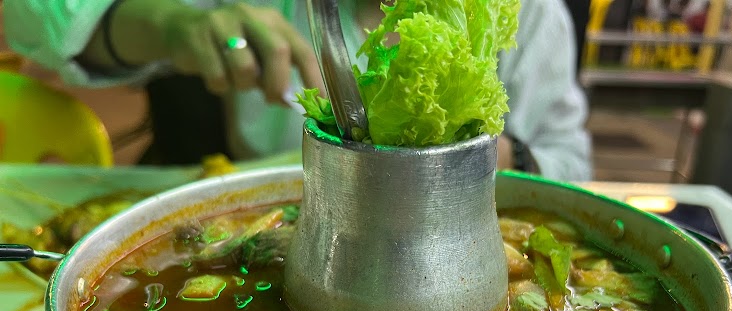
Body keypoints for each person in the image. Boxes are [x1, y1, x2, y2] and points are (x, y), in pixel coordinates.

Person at [4, 0, 592, 180]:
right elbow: (33, 20)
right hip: (256, 220)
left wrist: (505, 156)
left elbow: (573, 163)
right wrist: (168, 25)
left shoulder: (526, 14)